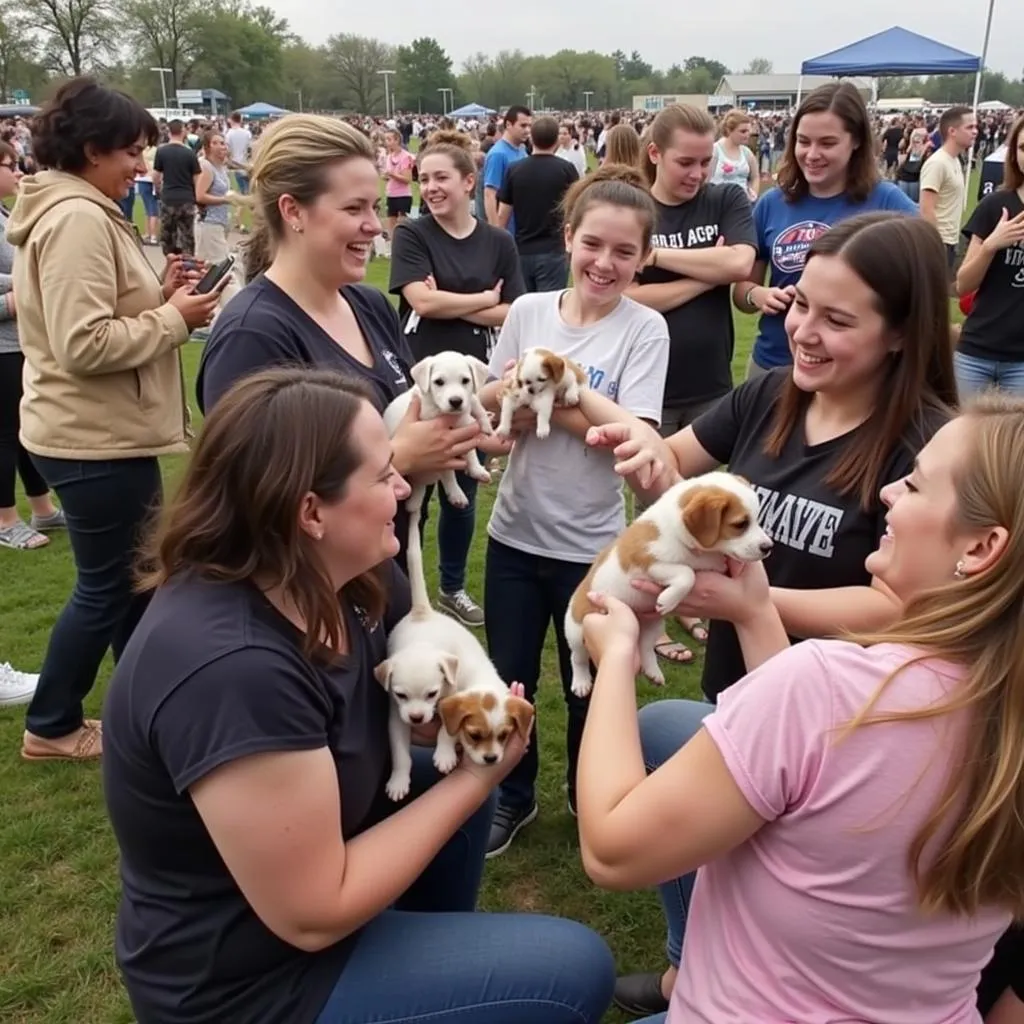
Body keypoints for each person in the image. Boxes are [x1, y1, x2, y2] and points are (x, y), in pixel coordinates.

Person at [101, 366, 616, 1024]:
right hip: (252, 983)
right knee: (571, 971)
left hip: (319, 894)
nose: (404, 483)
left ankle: (428, 960)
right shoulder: (230, 668)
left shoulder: (353, 579)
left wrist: (446, 719)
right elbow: (313, 915)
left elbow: (406, 693)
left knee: (435, 778)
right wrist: (481, 778)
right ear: (310, 512)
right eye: (381, 475)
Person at [584, 212, 958, 1016]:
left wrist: (752, 599)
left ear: (900, 334)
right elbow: (680, 459)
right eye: (799, 306)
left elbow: (900, 606)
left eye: (837, 319)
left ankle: (721, 990)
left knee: (768, 871)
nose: (805, 333)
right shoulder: (770, 396)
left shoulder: (926, 451)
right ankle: (692, 967)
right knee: (709, 831)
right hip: (743, 692)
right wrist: (653, 455)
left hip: (839, 732)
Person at [577, 389, 1024, 1023]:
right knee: (671, 726)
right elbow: (827, 737)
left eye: (918, 486)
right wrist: (757, 612)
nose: (892, 493)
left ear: (980, 548)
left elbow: (612, 850)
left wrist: (618, 656)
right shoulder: (993, 709)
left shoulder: (830, 684)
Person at [9, 76, 221, 762]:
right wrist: (172, 318)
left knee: (133, 580)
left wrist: (156, 296)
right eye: (131, 151)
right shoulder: (75, 219)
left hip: (100, 432)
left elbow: (91, 316)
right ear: (92, 149)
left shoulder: (85, 208)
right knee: (107, 587)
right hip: (91, 437)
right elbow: (82, 343)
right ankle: (53, 724)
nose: (141, 165)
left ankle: (144, 700)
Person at [475, 164, 671, 856]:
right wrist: (565, 402)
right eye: (593, 245)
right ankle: (514, 794)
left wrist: (545, 402)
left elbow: (629, 439)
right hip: (515, 536)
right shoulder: (528, 313)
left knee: (592, 681)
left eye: (625, 251)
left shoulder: (645, 330)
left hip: (593, 547)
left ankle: (592, 797)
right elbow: (499, 405)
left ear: (644, 256)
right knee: (510, 673)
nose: (605, 263)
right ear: (568, 238)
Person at [197, 114, 482, 563]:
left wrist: (488, 411)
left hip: (384, 579)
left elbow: (414, 416)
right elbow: (256, 500)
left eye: (374, 206)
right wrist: (395, 459)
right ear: (293, 212)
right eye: (354, 209)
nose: (374, 226)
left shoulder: (368, 304)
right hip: (309, 600)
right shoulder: (253, 334)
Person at [629, 103, 757, 664]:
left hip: (711, 387)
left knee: (711, 512)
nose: (698, 173)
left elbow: (740, 265)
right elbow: (625, 295)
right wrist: (700, 277)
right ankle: (656, 618)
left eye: (706, 161)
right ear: (654, 153)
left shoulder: (726, 197)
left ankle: (700, 604)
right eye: (686, 162)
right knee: (656, 517)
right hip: (646, 393)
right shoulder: (635, 207)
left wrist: (660, 257)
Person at [389, 130, 522, 627]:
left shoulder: (497, 241)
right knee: (408, 497)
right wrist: (483, 300)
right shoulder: (413, 234)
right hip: (421, 383)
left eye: (441, 177)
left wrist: (456, 300)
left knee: (462, 491)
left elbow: (514, 311)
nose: (431, 188)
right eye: (424, 179)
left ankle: (451, 586)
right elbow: (421, 303)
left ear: (470, 181)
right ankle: (400, 592)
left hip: (475, 382)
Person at [736, 82, 917, 380]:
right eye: (803, 141)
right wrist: (759, 295)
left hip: (852, 374)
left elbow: (924, 279)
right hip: (773, 366)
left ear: (856, 141)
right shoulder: (772, 203)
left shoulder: (887, 201)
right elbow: (742, 291)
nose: (812, 154)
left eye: (828, 143)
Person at [0, 140, 63, 555]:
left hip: (19, 341)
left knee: (24, 432)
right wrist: (19, 293)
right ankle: (6, 520)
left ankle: (42, 507)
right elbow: (21, 279)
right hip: (1, 347)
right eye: (10, 165)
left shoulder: (8, 213)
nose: (19, 171)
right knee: (4, 435)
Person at [953, 111, 1024, 399]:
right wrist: (991, 245)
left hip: (1021, 360)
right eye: (1022, 148)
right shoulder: (996, 205)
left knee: (1010, 444)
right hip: (977, 351)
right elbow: (963, 285)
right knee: (964, 438)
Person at [920, 105, 976, 273]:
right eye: (970, 127)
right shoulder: (938, 163)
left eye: (975, 127)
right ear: (952, 131)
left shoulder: (954, 160)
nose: (975, 132)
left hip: (950, 240)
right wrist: (936, 244)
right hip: (938, 242)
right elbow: (926, 209)